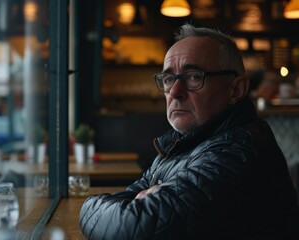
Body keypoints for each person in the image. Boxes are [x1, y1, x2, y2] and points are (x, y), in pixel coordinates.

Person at [79, 24, 299, 239]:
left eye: (193, 76)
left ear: (236, 89)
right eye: (168, 79)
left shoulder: (238, 152)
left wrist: (88, 206)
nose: (175, 92)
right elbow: (132, 203)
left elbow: (133, 227)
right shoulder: (186, 142)